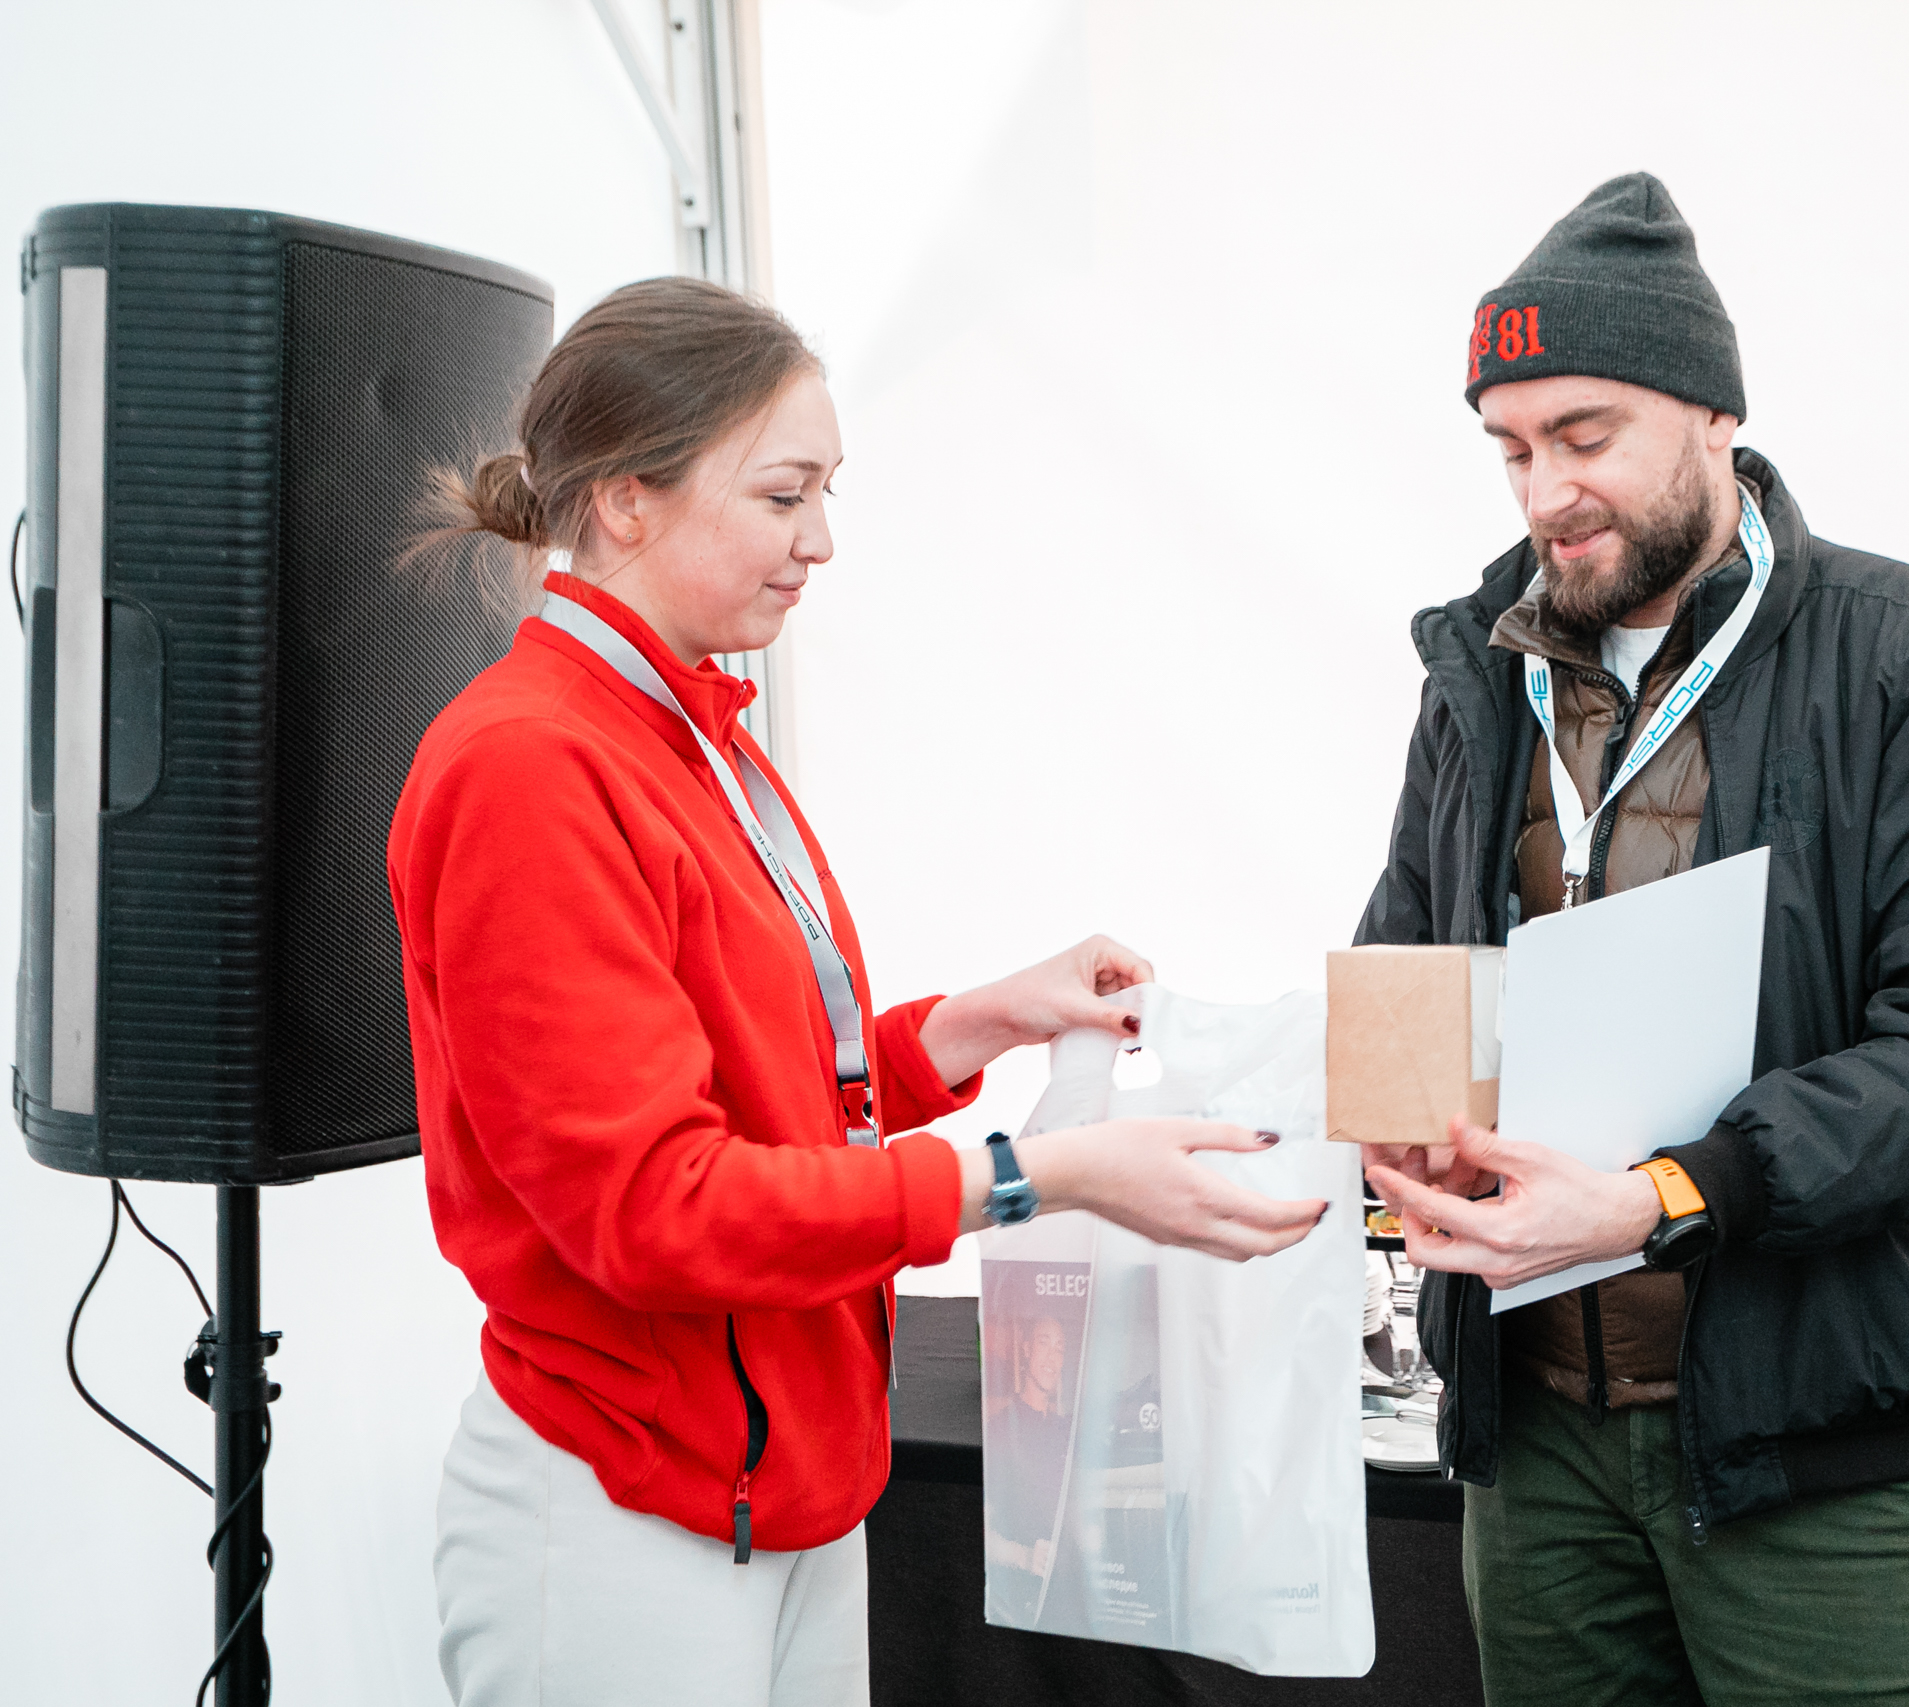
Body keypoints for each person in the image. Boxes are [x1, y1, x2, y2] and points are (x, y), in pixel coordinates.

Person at [392, 277, 1327, 1707]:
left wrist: (980, 1021)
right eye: (784, 495)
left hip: (787, 1489)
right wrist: (1040, 1175)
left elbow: (769, 1092)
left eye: (826, 492)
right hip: (628, 1512)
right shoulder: (531, 767)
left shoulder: (698, 733)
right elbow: (655, 1207)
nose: (820, 540)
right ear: (628, 498)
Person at [1360, 173, 1909, 1706]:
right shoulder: (1479, 669)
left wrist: (1662, 1197)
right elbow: (1412, 951)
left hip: (1817, 1459)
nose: (1544, 493)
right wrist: (1395, 1117)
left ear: (1712, 416)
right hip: (1536, 1445)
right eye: (1511, 448)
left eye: (1585, 436)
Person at [983, 1312, 1073, 1620]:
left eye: (1060, 1348)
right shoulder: (1001, 1428)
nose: (1052, 1357)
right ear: (1027, 1350)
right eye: (1044, 1343)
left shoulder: (1066, 1430)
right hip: (1023, 1602)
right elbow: (983, 1532)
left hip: (1067, 1594)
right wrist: (1024, 1557)